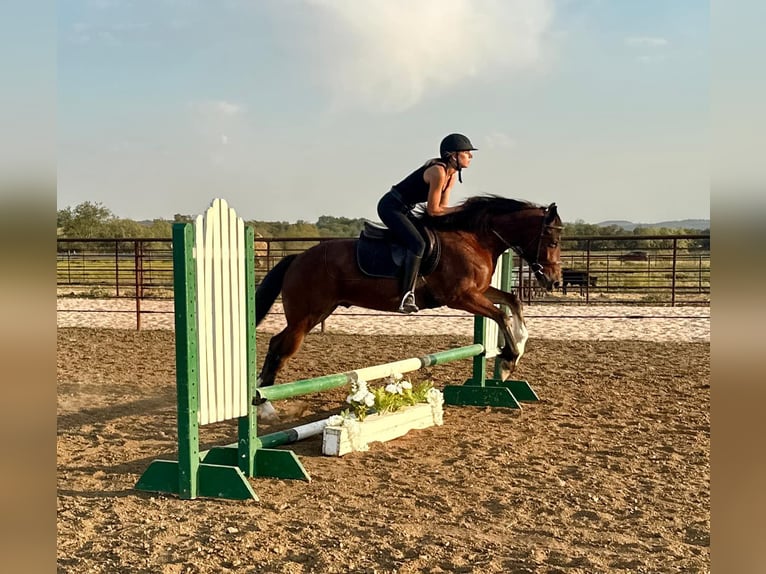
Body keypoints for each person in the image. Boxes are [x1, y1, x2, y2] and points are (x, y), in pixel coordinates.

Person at [377, 133, 478, 313]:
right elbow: (433, 210)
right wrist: (465, 209)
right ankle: (406, 295)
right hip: (390, 207)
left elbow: (442, 209)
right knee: (418, 243)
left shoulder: (452, 175)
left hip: (405, 209)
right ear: (452, 155)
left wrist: (462, 215)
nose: (471, 156)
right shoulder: (438, 172)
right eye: (466, 153)